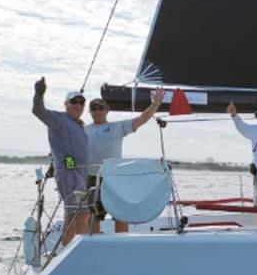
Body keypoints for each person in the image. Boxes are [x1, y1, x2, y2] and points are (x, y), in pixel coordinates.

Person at [85, 88, 166, 233]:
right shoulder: (83, 130)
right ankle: (95, 243)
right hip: (92, 178)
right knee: (94, 215)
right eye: (94, 108)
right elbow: (70, 152)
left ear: (107, 110)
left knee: (120, 214)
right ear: (90, 111)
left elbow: (141, 119)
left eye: (100, 108)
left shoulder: (117, 127)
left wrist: (155, 105)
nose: (97, 111)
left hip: (115, 178)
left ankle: (121, 241)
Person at [31, 77, 90, 245]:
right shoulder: (58, 119)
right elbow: (38, 111)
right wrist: (39, 93)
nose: (78, 105)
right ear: (66, 104)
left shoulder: (78, 124)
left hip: (80, 175)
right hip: (70, 173)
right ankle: (80, 251)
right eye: (74, 102)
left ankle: (67, 249)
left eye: (81, 102)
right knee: (80, 213)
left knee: (74, 213)